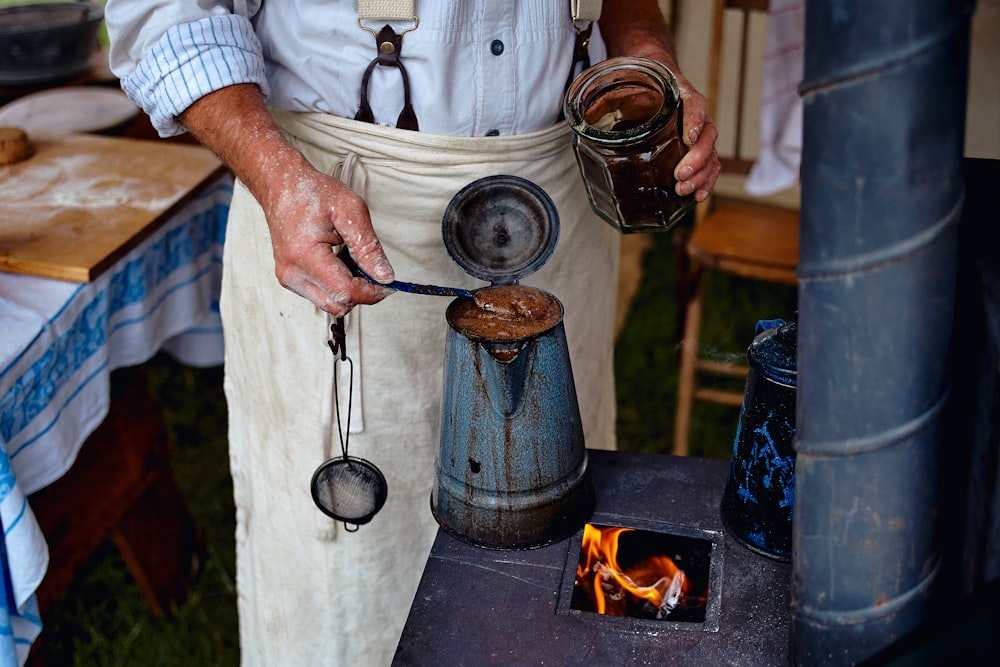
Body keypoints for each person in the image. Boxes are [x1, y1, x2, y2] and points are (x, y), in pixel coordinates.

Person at [104, 1, 720, 664]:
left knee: (555, 546)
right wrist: (275, 176)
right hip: (335, 210)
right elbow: (166, 12)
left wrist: (644, 51)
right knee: (356, 576)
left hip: (556, 206)